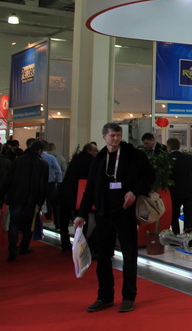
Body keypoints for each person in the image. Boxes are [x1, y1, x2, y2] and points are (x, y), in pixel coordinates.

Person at [74, 123, 155, 313]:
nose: (116, 139)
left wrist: (134, 191)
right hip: (104, 214)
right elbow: (90, 188)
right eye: (112, 135)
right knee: (103, 257)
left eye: (118, 135)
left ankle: (128, 297)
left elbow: (149, 175)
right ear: (104, 137)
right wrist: (82, 214)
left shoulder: (134, 155)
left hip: (125, 214)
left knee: (129, 257)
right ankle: (104, 296)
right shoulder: (99, 159)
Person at [0, 139, 49, 260]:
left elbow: (8, 179)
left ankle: (12, 249)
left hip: (15, 196)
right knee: (28, 224)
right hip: (31, 199)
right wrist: (40, 201)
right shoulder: (42, 164)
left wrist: (1, 195)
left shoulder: (18, 161)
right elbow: (43, 185)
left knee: (14, 223)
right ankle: (24, 247)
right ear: (40, 150)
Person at [57, 143, 98, 253]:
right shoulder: (91, 161)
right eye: (95, 150)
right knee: (81, 222)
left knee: (64, 222)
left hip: (65, 194)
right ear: (91, 151)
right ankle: (80, 247)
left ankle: (65, 244)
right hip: (79, 196)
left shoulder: (75, 159)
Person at [167, 138, 192, 234]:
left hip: (174, 190)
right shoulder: (188, 157)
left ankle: (176, 233)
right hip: (189, 188)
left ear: (168, 146)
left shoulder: (167, 158)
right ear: (179, 146)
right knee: (189, 211)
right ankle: (188, 231)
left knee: (174, 213)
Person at [41, 146, 63, 221]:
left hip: (38, 184)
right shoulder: (51, 157)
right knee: (55, 204)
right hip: (50, 183)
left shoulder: (35, 158)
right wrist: (56, 181)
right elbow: (58, 171)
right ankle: (57, 222)